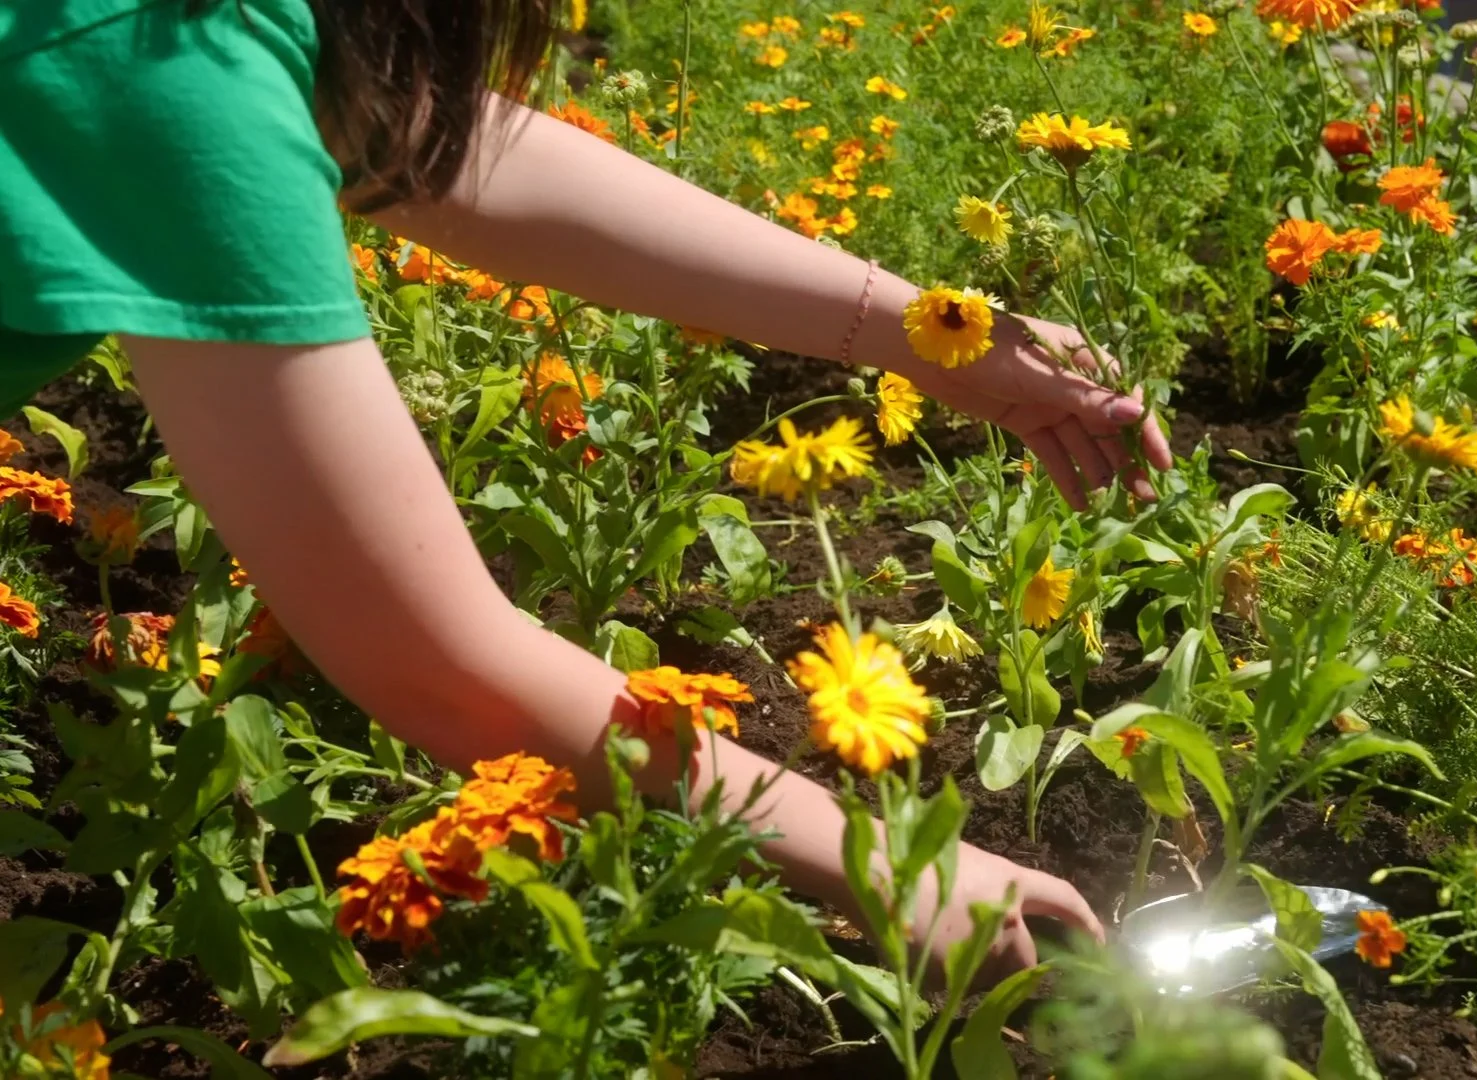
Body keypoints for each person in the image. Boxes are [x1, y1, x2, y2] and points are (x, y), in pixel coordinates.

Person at [0, 0, 1174, 976]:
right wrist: (883, 862)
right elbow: (440, 666)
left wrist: (925, 330)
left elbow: (425, 142)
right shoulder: (151, 63)